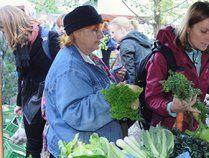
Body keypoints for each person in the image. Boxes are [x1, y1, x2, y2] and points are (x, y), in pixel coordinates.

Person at [144, 1, 209, 131]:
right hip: (166, 130)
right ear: (188, 28)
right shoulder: (163, 55)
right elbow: (151, 98)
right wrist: (171, 107)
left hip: (195, 126)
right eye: (204, 31)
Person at [44, 5, 124, 157]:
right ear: (77, 33)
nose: (101, 35)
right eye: (95, 30)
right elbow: (77, 114)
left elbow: (90, 88)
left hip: (89, 147)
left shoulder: (85, 56)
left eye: (101, 29)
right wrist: (115, 96)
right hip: (82, 150)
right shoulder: (70, 68)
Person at [0, 5, 60, 157]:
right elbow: (22, 76)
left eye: (2, 28)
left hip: (53, 102)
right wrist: (20, 102)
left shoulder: (50, 38)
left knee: (55, 144)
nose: (2, 33)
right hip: (31, 105)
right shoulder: (18, 45)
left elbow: (61, 72)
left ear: (11, 25)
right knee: (33, 146)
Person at [109, 17, 153, 84]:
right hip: (150, 79)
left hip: (141, 84)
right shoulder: (140, 39)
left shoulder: (126, 43)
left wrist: (129, 85)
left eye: (113, 32)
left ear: (122, 29)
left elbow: (131, 74)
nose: (112, 36)